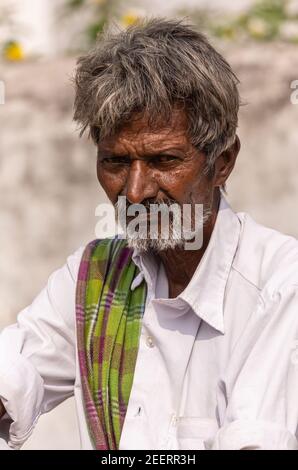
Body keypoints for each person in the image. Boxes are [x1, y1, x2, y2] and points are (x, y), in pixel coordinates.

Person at [0, 18, 297, 451]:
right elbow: (16, 368)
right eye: (116, 162)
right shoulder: (96, 279)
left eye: (164, 160)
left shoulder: (279, 286)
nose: (135, 193)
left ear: (223, 162)